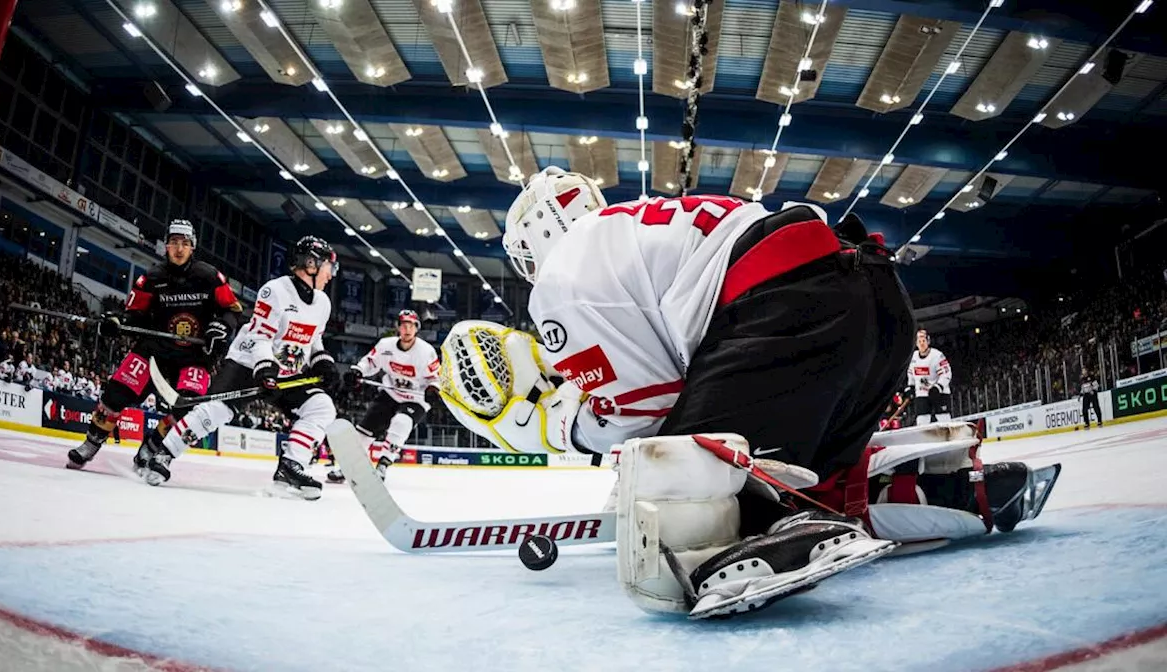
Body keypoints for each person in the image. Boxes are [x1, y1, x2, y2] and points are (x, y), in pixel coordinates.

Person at [437, 166, 1055, 619]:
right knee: (808, 480)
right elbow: (690, 382)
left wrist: (557, 425)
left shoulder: (564, 278)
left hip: (791, 315)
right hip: (876, 303)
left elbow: (641, 416)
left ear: (537, 237)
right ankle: (945, 488)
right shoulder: (636, 229)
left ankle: (761, 535)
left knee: (674, 518)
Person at [144, 236, 340, 500]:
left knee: (322, 407)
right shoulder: (275, 291)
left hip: (287, 370)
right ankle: (164, 454)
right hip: (249, 362)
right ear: (311, 263)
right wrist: (264, 369)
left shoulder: (323, 303)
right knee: (217, 411)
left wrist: (323, 361)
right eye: (330, 266)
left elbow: (314, 339)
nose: (332, 274)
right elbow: (260, 338)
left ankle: (291, 466)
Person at [66, 220, 242, 471]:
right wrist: (117, 321)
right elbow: (134, 313)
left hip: (195, 356)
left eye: (185, 243)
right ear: (166, 246)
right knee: (115, 393)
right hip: (154, 351)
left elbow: (233, 310)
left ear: (193, 247)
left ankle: (152, 446)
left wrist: (222, 327)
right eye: (174, 243)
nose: (179, 249)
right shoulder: (152, 277)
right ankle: (91, 444)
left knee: (187, 408)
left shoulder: (210, 276)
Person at [332, 309, 441, 483]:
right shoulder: (385, 345)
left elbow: (435, 377)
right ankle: (348, 467)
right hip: (390, 392)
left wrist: (433, 389)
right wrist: (358, 371)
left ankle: (383, 464)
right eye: (403, 325)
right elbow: (370, 362)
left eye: (411, 325)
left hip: (416, 398)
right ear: (398, 327)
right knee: (364, 431)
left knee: (402, 422)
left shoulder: (426, 351)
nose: (407, 329)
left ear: (417, 328)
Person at [905, 328, 952, 426]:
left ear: (928, 341)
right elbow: (911, 374)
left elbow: (946, 374)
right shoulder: (913, 357)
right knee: (922, 420)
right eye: (919, 341)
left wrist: (938, 387)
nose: (922, 344)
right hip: (921, 393)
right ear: (916, 343)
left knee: (944, 419)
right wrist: (911, 387)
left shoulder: (937, 355)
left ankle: (948, 437)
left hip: (939, 393)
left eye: (924, 341)